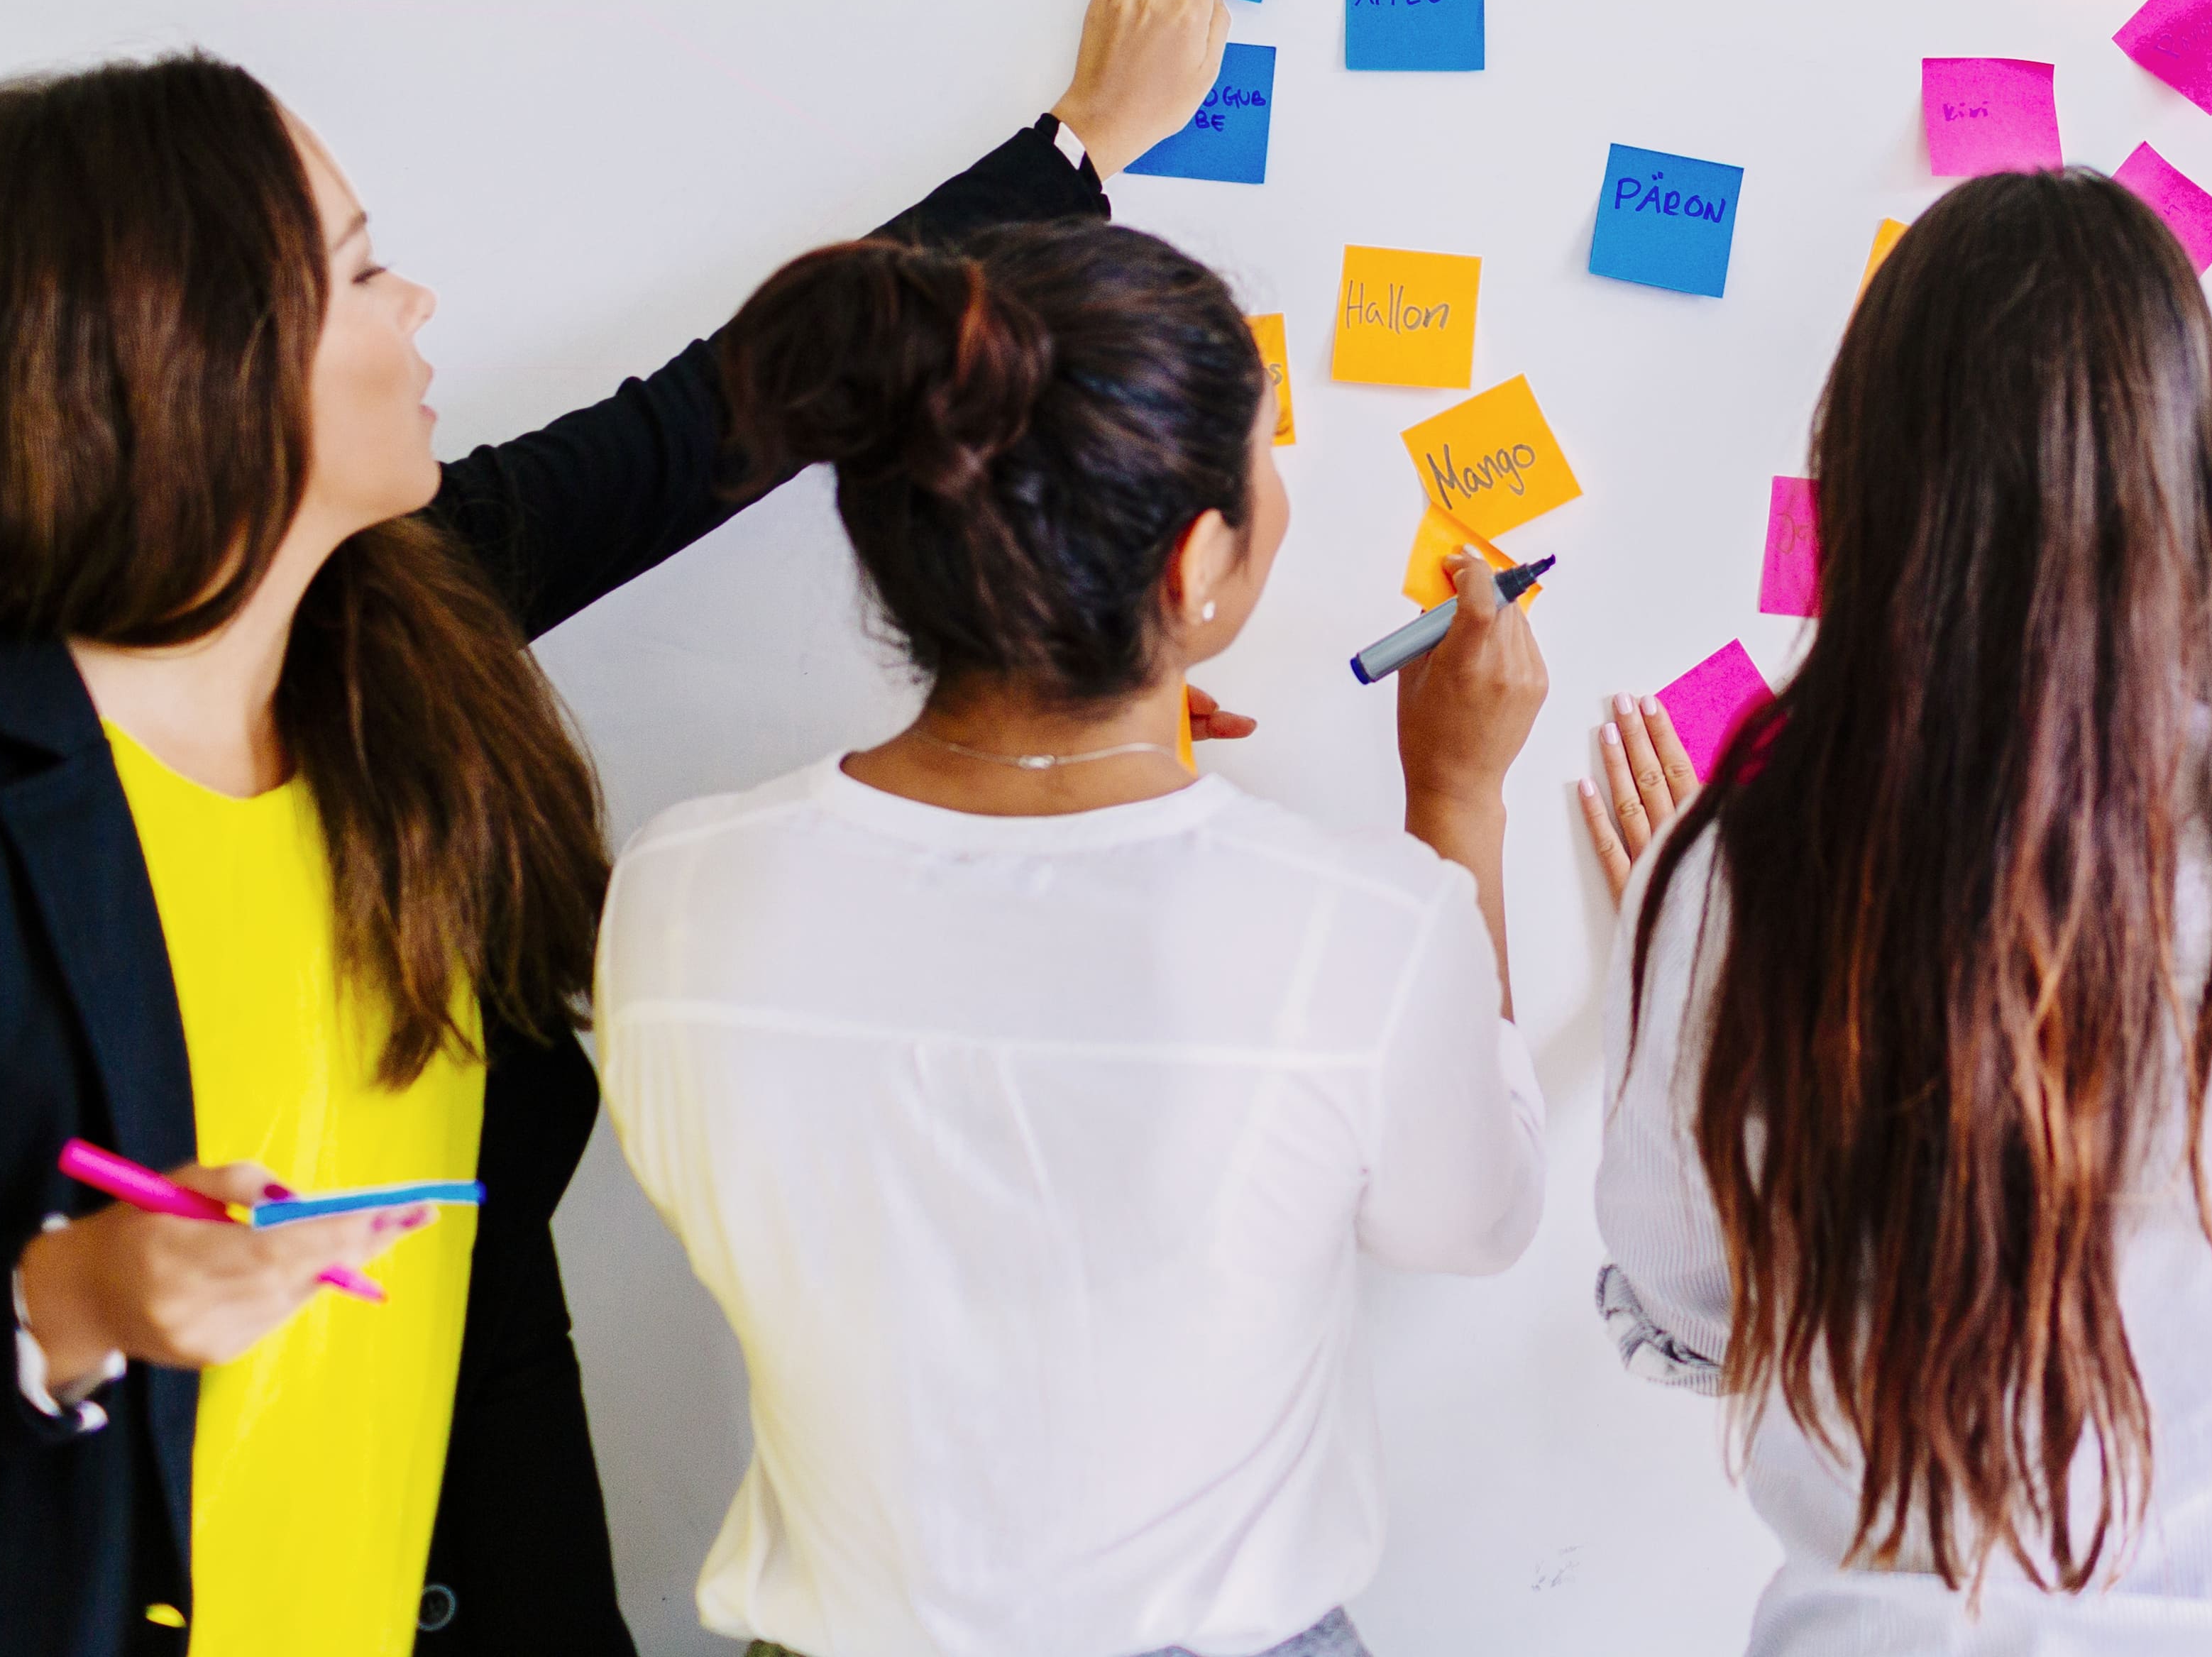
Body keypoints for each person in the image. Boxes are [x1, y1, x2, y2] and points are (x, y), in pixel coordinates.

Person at [0, 0, 1236, 1657]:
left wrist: (1088, 139)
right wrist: (62, 1301)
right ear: (195, 362)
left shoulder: (408, 645)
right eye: (359, 267)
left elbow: (730, 405)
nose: (418, 298)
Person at [1585, 169, 2212, 1657]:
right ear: (2199, 479)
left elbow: (1694, 1313)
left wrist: (1720, 962)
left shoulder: (1733, 871)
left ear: (1860, 483)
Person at [595, 216, 1548, 1657]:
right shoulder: (1361, 925)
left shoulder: (676, 887)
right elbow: (1473, 1217)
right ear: (1197, 563)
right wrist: (1460, 794)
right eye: (1268, 457)